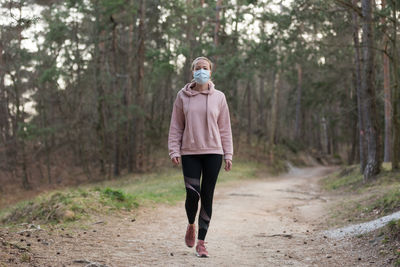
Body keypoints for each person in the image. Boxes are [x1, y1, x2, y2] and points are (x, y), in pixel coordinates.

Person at [168, 56, 233, 258]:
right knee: (192, 194)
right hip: (190, 152)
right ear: (192, 72)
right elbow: (176, 126)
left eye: (205, 68)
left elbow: (225, 129)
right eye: (198, 68)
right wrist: (174, 150)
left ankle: (202, 242)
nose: (201, 70)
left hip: (214, 152)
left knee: (207, 196)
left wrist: (228, 153)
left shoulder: (219, 97)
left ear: (210, 72)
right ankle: (190, 224)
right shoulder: (182, 96)